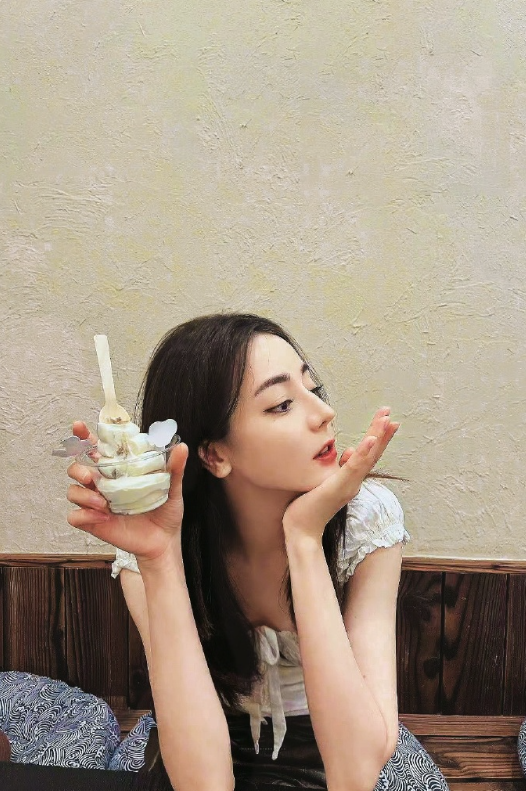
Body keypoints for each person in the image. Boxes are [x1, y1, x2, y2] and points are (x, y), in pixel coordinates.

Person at [66, 313, 448, 791]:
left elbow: (355, 774)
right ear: (214, 454)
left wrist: (304, 538)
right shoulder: (155, 546)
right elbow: (203, 784)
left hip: (343, 734)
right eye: (282, 404)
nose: (323, 413)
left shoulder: (366, 518)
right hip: (204, 734)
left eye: (313, 388)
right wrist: (159, 561)